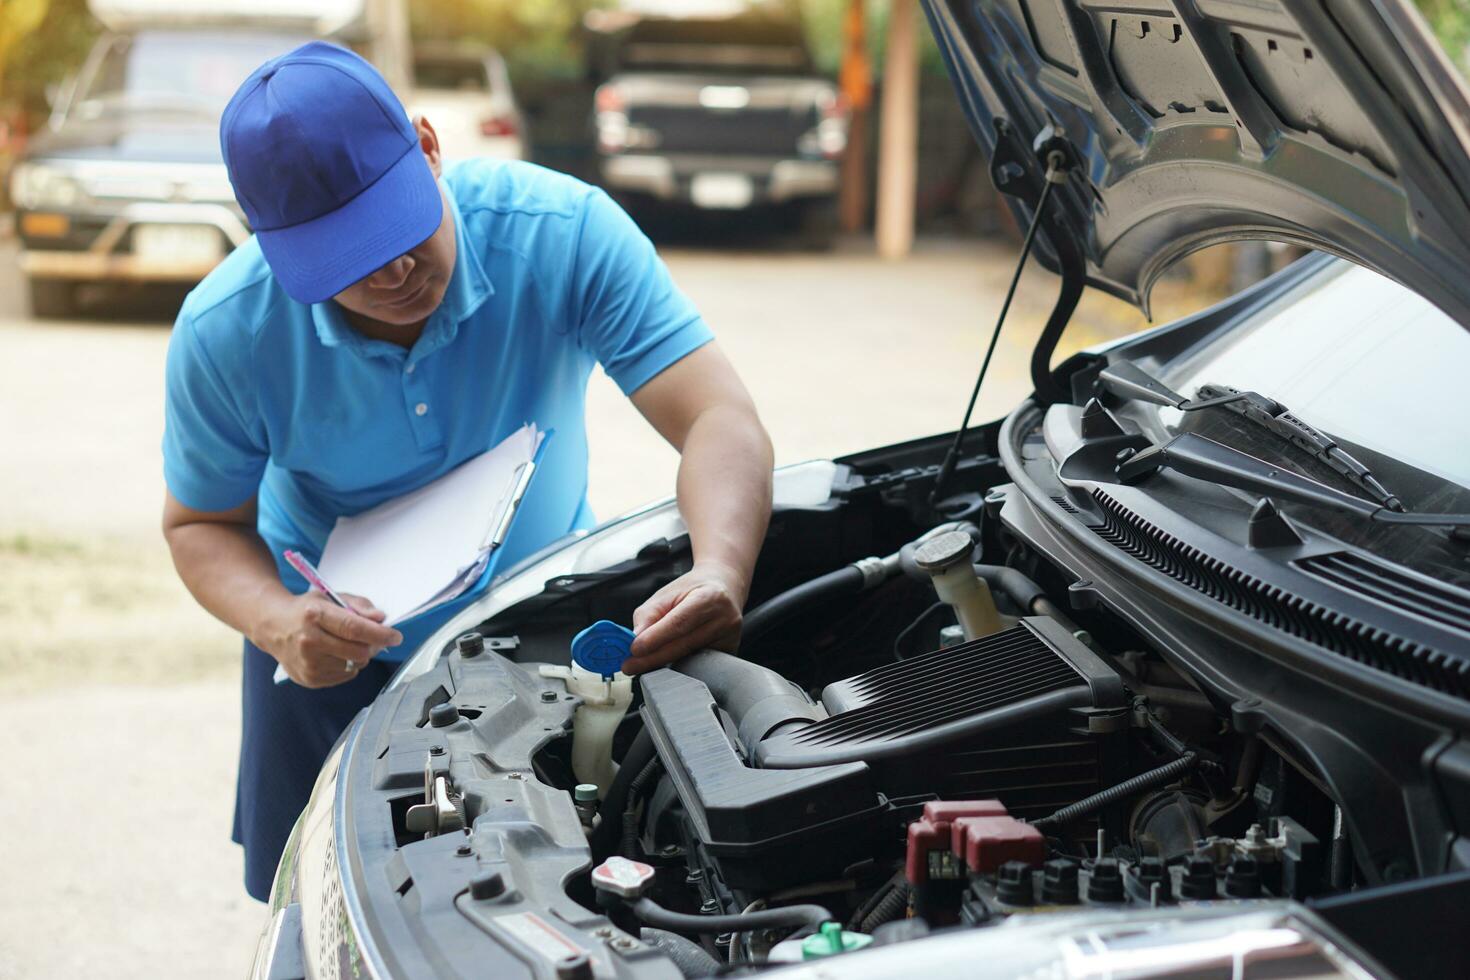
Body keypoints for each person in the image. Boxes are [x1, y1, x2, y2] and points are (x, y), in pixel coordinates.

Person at [159, 42, 773, 902]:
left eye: (395, 227)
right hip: (327, 660)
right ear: (272, 243)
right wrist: (276, 621)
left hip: (538, 631)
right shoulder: (227, 332)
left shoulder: (563, 233)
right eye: (345, 259)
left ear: (428, 144)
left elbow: (718, 417)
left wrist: (719, 567)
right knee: (320, 913)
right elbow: (199, 525)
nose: (392, 271)